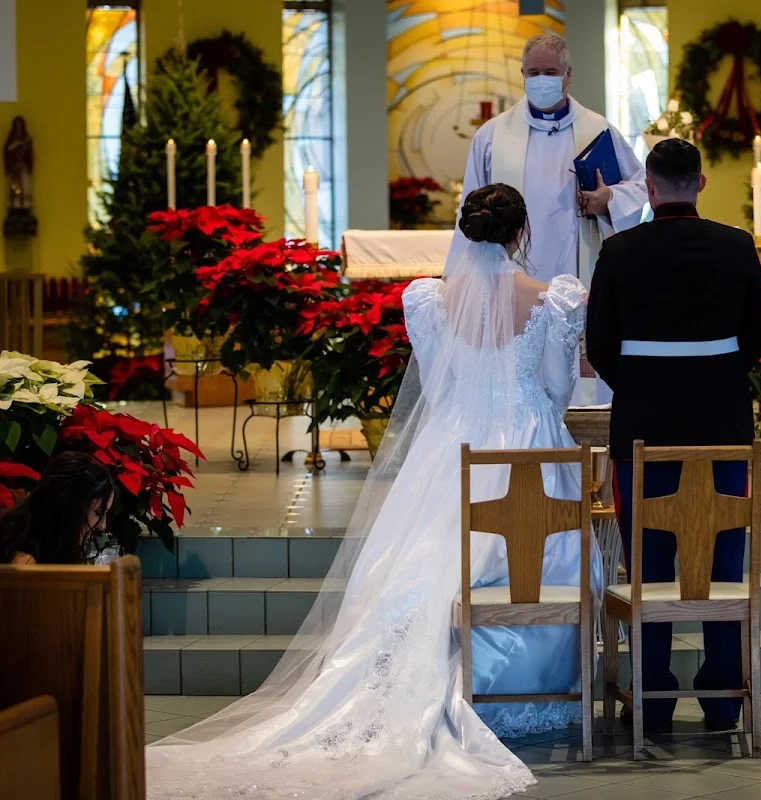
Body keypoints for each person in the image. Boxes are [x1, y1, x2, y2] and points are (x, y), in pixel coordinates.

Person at [146, 183, 600, 800]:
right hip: (529, 448)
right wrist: (524, 410)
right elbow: (556, 388)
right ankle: (525, 690)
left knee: (425, 563)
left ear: (466, 234)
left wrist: (471, 414)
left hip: (452, 449)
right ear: (521, 235)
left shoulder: (432, 301)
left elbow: (439, 390)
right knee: (541, 555)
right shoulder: (554, 300)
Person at [585, 139, 761, 732]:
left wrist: (642, 383)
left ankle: (655, 700)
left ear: (652, 187)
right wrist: (711, 377)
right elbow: (757, 339)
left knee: (650, 560)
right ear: (702, 182)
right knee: (722, 557)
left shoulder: (617, 250)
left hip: (642, 422)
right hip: (722, 424)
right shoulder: (737, 246)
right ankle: (720, 699)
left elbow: (600, 345)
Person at [452, 32, 647, 406]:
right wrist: (463, 281)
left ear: (568, 75)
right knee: (517, 389)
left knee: (581, 390)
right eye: (533, 72)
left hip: (581, 269)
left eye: (551, 71)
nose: (542, 79)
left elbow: (640, 185)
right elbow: (471, 208)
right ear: (522, 74)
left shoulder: (598, 129)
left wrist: (609, 199)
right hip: (509, 278)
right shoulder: (492, 135)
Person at [0, 451, 116, 565]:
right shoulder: (24, 562)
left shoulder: (57, 547)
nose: (103, 526)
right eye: (99, 513)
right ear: (70, 508)